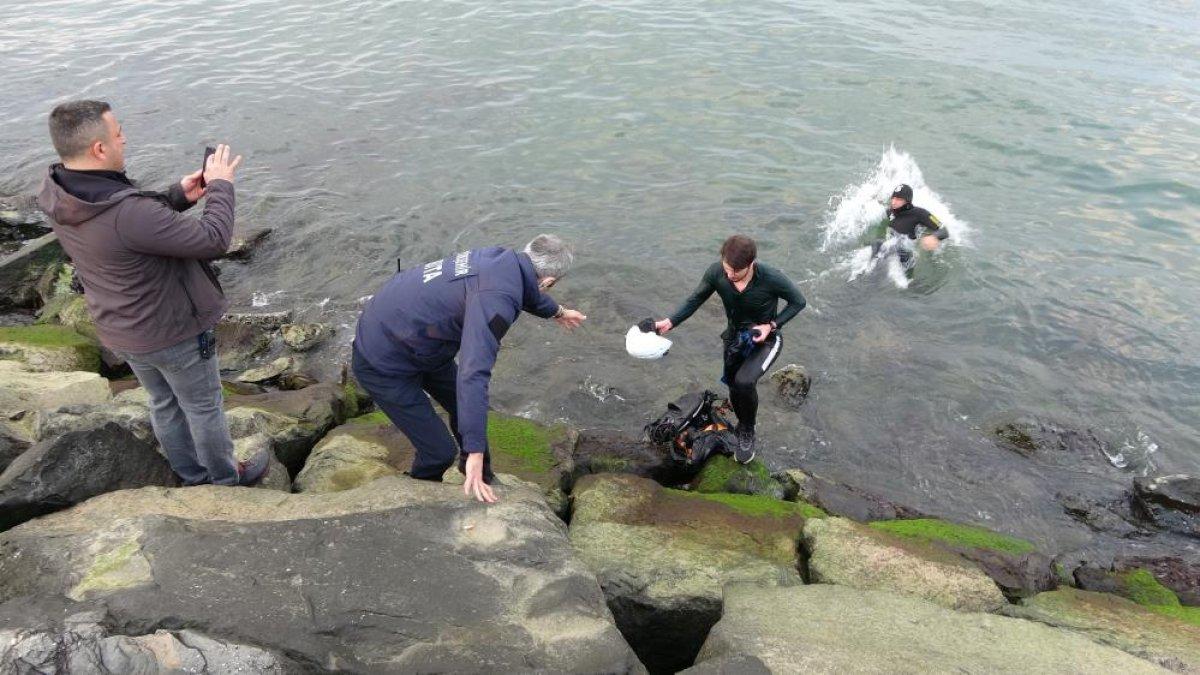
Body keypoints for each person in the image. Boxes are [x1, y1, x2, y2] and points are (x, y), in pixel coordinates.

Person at [36, 99, 268, 486]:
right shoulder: (128, 212)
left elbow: (127, 223)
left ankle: (189, 474)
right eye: (118, 133)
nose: (124, 139)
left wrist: (177, 196)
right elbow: (213, 240)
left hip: (122, 329)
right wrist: (222, 187)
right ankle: (227, 482)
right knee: (204, 408)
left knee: (164, 403)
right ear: (99, 148)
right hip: (172, 331)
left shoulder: (58, 191)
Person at [352, 235, 586, 503]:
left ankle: (480, 478)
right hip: (382, 360)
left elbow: (524, 289)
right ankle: (418, 498)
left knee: (470, 411)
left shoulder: (499, 258)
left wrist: (557, 311)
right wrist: (474, 450)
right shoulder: (496, 300)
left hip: (414, 335)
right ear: (548, 282)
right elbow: (473, 373)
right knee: (439, 452)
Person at [654, 235, 805, 463]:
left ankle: (747, 431)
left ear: (751, 263)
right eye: (727, 268)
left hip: (766, 340)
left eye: (737, 271)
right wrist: (670, 322)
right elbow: (695, 299)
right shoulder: (717, 272)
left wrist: (772, 325)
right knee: (735, 386)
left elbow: (798, 301)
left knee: (745, 382)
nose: (731, 275)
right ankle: (741, 420)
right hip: (734, 340)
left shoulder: (771, 278)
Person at [885, 183, 948, 252]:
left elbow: (944, 230)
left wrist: (934, 236)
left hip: (906, 253)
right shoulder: (890, 212)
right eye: (893, 198)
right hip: (891, 247)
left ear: (907, 201)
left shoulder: (919, 213)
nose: (893, 202)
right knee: (878, 245)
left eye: (898, 199)